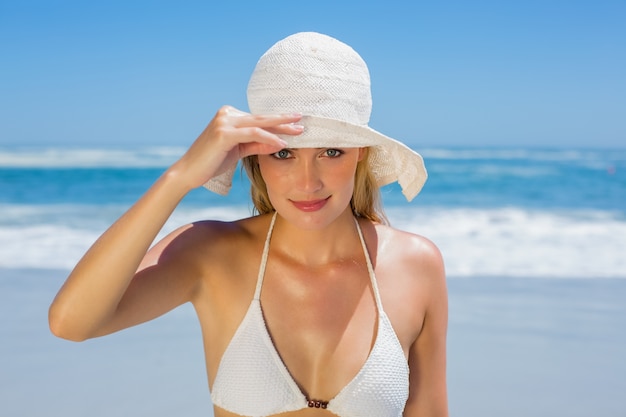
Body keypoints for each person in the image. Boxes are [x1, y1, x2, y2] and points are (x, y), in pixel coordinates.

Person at [49, 32, 448, 417]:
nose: (308, 182)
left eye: (330, 151)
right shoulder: (210, 253)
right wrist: (180, 177)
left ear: (361, 152)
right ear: (255, 157)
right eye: (284, 154)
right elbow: (72, 323)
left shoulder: (416, 265)